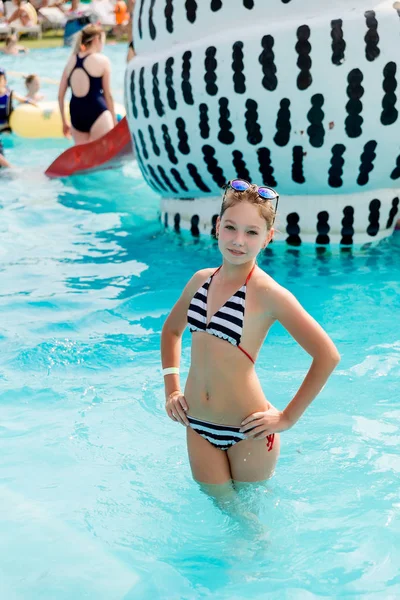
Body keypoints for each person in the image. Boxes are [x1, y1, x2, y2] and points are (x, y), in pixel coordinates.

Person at [161, 179, 341, 502]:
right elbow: (170, 331)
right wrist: (171, 388)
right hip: (198, 426)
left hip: (249, 432)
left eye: (252, 232)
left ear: (268, 238)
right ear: (217, 226)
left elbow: (327, 355)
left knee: (249, 530)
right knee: (224, 518)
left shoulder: (267, 294)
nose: (238, 241)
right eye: (231, 227)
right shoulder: (199, 282)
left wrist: (287, 418)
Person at [58, 24, 116, 146]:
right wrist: (114, 120)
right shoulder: (102, 60)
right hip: (97, 111)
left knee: (85, 159)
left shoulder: (71, 60)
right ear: (96, 39)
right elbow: (108, 95)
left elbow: (60, 95)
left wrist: (64, 121)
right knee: (104, 155)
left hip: (76, 114)